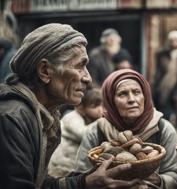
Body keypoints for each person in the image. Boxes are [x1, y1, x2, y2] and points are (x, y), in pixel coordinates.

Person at [0, 23, 141, 189]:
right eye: (80, 66)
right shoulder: (12, 118)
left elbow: (39, 184)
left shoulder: (43, 115)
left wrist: (85, 182)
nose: (88, 78)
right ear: (45, 71)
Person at [75, 69, 177, 189]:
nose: (132, 99)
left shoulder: (164, 129)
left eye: (137, 92)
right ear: (111, 100)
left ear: (145, 96)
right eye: (123, 94)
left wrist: (157, 180)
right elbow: (81, 176)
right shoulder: (95, 131)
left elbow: (175, 175)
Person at [48, 87, 104, 177]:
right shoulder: (71, 117)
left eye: (102, 105)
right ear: (80, 107)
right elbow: (84, 134)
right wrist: (101, 121)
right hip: (61, 167)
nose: (100, 110)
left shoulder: (90, 119)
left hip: (72, 166)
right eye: (95, 106)